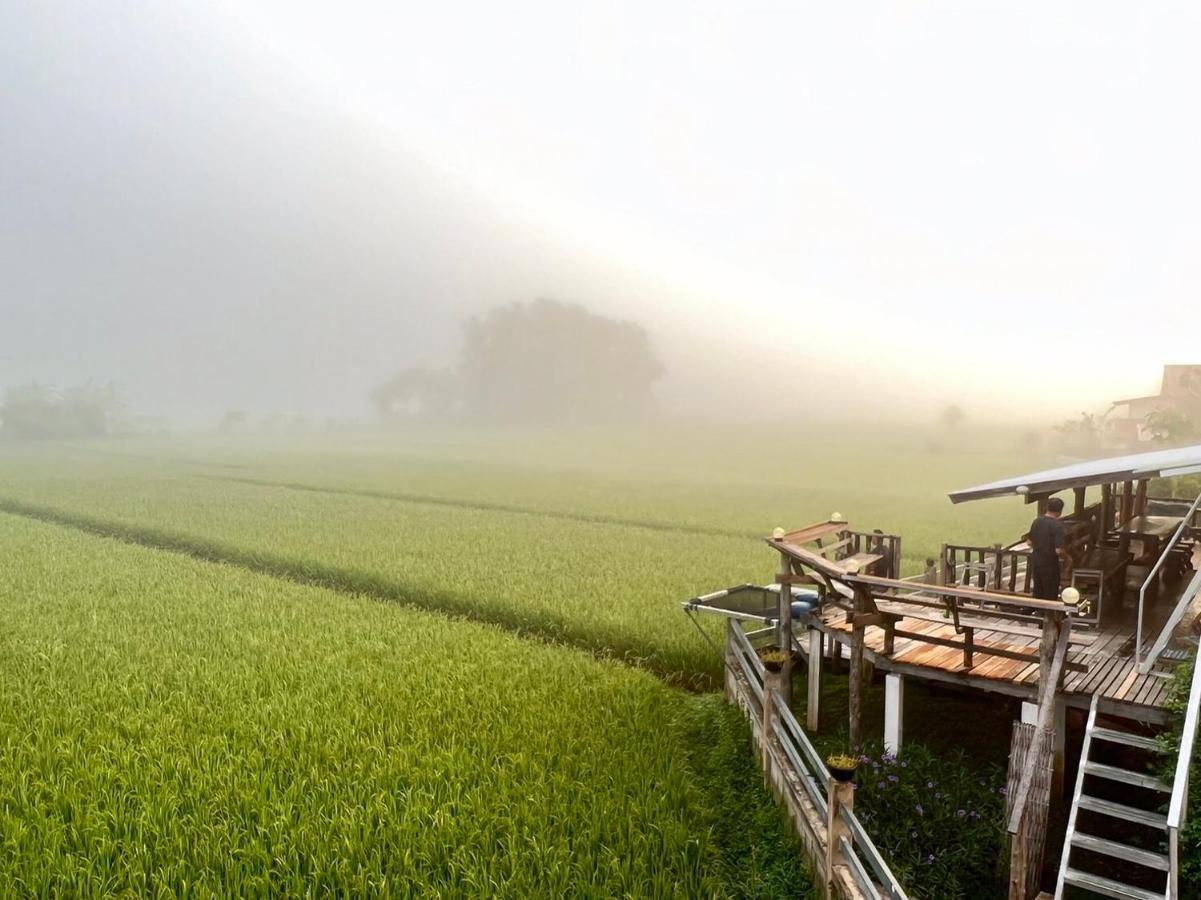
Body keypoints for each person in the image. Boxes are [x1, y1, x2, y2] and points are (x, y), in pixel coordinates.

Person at [1029, 497, 1071, 600]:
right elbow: (1058, 550)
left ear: (1047, 508)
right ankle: (1049, 614)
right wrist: (1067, 558)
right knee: (1050, 593)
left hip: (1036, 561)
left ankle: (1038, 612)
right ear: (1060, 511)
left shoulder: (1036, 521)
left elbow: (1029, 542)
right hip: (1050, 564)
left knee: (1038, 591)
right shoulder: (1057, 526)